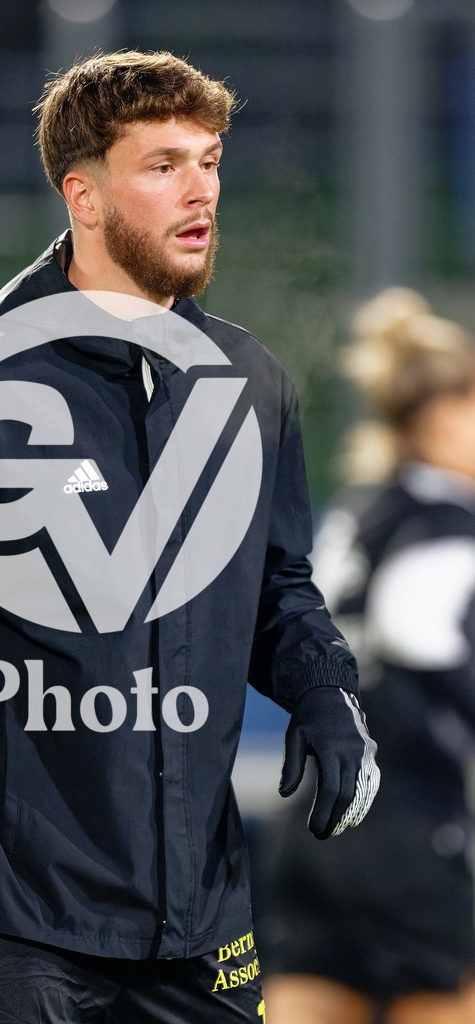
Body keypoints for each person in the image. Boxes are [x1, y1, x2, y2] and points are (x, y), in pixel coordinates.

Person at [0, 50, 379, 1024]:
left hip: (203, 924)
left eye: (211, 161)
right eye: (163, 165)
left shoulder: (246, 382)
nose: (201, 192)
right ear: (83, 195)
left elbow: (274, 584)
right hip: (12, 930)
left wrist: (323, 686)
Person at [256, 287, 475, 1024]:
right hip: (411, 833)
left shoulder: (359, 512)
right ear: (444, 419)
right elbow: (422, 637)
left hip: (310, 830)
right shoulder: (450, 530)